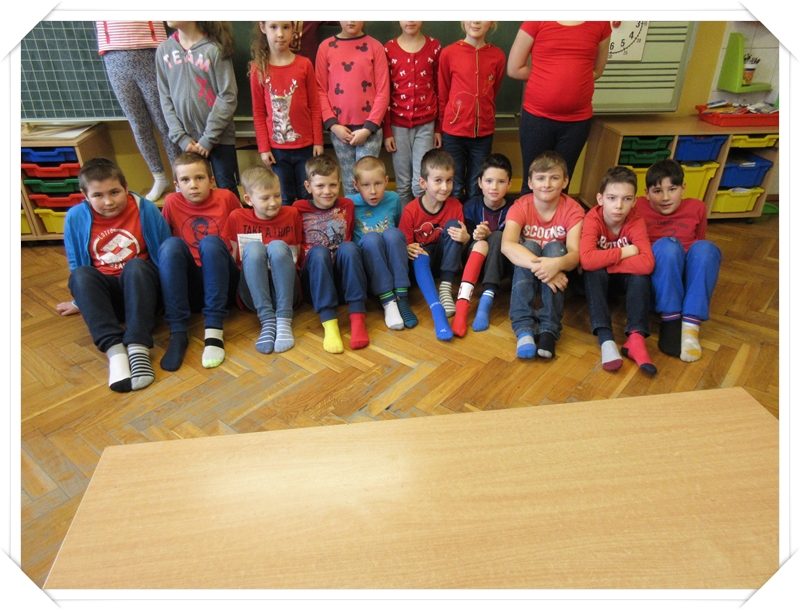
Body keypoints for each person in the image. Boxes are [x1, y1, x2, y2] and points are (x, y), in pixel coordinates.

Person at [57, 158, 171, 392]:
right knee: (80, 275)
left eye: (114, 192)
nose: (108, 202)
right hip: (109, 297)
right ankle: (116, 353)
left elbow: (165, 253)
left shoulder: (146, 209)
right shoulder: (75, 217)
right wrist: (81, 301)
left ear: (126, 187)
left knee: (136, 265)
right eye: (98, 195)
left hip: (144, 293)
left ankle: (138, 347)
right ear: (85, 196)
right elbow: (76, 263)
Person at [158, 152, 242, 371]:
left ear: (211, 181)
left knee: (211, 242)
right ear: (177, 185)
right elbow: (166, 251)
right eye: (185, 180)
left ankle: (214, 331)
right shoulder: (171, 201)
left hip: (224, 281)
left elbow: (243, 232)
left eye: (199, 178)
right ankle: (178, 333)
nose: (193, 185)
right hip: (191, 286)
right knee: (170, 245)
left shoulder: (226, 197)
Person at [507, 21, 611, 195]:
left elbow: (596, 71)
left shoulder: (600, 23)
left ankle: (558, 215)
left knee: (561, 183)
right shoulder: (536, 20)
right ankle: (527, 214)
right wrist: (546, 75)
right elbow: (514, 69)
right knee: (533, 181)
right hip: (537, 118)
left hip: (577, 122)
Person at [635, 159, 722, 362]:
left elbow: (700, 242)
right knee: (668, 245)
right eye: (657, 191)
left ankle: (691, 326)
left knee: (707, 248)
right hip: (658, 280)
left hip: (686, 280)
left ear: (683, 188)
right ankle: (671, 319)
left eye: (672, 189)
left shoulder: (697, 207)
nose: (665, 197)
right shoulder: (637, 206)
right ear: (647, 193)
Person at [501, 150, 584, 359]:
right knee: (529, 245)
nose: (546, 184)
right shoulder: (521, 206)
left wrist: (555, 265)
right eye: (540, 178)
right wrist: (545, 268)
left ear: (565, 181)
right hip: (525, 273)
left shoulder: (574, 209)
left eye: (554, 178)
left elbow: (575, 254)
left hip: (557, 272)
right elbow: (507, 245)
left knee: (555, 248)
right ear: (530, 182)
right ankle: (524, 330)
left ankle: (548, 329)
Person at [580, 166, 656, 375]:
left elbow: (647, 263)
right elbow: (586, 261)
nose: (619, 206)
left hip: (619, 281)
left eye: (626, 199)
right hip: (591, 282)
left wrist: (603, 260)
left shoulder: (635, 219)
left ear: (635, 201)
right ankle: (606, 339)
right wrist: (625, 252)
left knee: (640, 276)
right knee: (594, 271)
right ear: (600, 199)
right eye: (612, 198)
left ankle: (636, 338)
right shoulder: (593, 218)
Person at [95, 21, 181, 201]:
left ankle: (179, 177)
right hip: (113, 54)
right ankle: (159, 176)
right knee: (138, 124)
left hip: (150, 49)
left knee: (165, 120)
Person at [222, 165, 303, 354]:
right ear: (249, 200)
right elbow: (236, 258)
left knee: (277, 246)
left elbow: (297, 253)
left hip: (286, 292)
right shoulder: (236, 217)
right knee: (253, 248)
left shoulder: (291, 214)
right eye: (265, 198)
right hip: (253, 294)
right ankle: (267, 321)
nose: (273, 202)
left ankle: (283, 320)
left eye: (277, 195)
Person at [293, 154, 370, 353]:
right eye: (320, 186)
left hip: (344, 282)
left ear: (340, 184)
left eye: (333, 185)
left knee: (349, 247)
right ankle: (330, 323)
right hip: (315, 283)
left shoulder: (347, 205)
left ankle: (357, 318)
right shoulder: (297, 209)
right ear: (308, 186)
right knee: (319, 252)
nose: (327, 191)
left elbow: (351, 233)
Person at [156, 21, 240, 196]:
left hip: (219, 138)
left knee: (227, 191)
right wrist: (181, 137)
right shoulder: (164, 51)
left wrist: (209, 138)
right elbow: (164, 98)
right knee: (192, 193)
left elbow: (228, 96)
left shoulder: (214, 49)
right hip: (187, 141)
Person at [250, 21, 324, 206]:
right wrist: (264, 147)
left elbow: (315, 106)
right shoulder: (259, 69)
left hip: (305, 146)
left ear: (293, 30)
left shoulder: (304, 65)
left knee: (308, 196)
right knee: (284, 197)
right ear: (263, 28)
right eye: (273, 27)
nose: (280, 34)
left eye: (286, 27)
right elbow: (258, 112)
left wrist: (318, 141)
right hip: (277, 149)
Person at [399, 149, 469, 341]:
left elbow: (460, 251)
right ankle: (437, 310)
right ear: (423, 183)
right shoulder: (411, 210)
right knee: (418, 253)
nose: (445, 187)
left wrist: (465, 239)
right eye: (438, 180)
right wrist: (408, 248)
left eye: (449, 180)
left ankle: (445, 287)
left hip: (445, 264)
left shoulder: (455, 206)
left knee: (455, 226)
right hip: (422, 267)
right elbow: (406, 248)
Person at [315, 21, 390, 196]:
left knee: (368, 183)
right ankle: (352, 214)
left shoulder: (375, 47)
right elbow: (320, 90)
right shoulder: (326, 47)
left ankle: (369, 214)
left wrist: (368, 129)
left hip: (369, 130)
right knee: (350, 183)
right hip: (340, 130)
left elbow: (383, 91)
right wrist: (333, 126)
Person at [438, 21, 505, 201]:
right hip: (454, 132)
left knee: (477, 185)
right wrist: (442, 127)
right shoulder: (449, 53)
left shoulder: (497, 56)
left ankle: (472, 217)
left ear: (491, 23)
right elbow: (443, 93)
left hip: (483, 133)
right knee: (455, 185)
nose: (475, 20)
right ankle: (455, 218)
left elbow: (493, 90)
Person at [350, 156, 418, 331]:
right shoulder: (350, 203)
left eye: (378, 184)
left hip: (393, 262)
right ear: (356, 185)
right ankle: (388, 302)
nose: (373, 191)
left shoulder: (393, 199)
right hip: (371, 265)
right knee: (371, 238)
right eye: (366, 185)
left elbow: (401, 228)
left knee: (393, 233)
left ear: (386, 181)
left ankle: (402, 298)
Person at [383, 21, 442, 206]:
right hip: (397, 125)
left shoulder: (434, 47)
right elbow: (384, 91)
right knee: (403, 186)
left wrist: (438, 128)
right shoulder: (388, 49)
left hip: (426, 124)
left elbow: (440, 88)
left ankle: (421, 220)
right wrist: (387, 131)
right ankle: (406, 222)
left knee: (420, 185)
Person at [455, 153, 515, 335]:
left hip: (502, 267)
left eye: (501, 182)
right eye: (489, 181)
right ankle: (466, 302)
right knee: (484, 241)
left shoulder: (514, 209)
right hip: (476, 265)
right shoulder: (470, 206)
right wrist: (471, 237)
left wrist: (490, 235)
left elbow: (515, 243)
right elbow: (463, 249)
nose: (494, 187)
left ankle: (486, 301)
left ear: (510, 184)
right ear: (480, 182)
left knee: (497, 237)